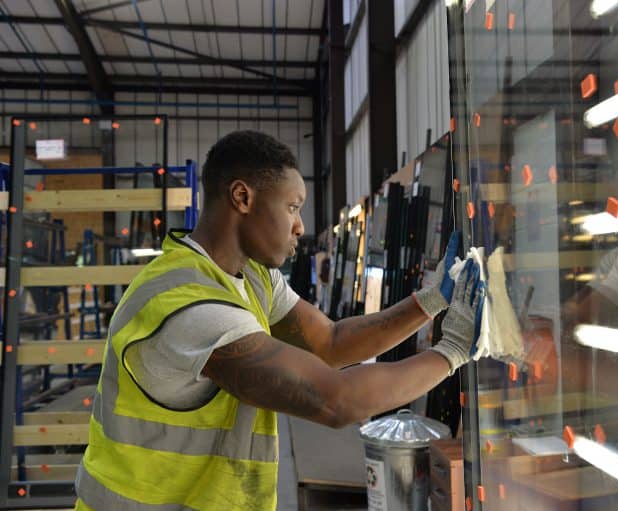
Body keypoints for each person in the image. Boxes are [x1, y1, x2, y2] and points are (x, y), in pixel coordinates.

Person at [74, 130, 484, 511]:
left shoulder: (251, 277)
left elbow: (331, 343)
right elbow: (335, 400)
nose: (300, 226)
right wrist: (451, 351)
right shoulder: (186, 305)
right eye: (291, 207)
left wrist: (430, 301)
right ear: (242, 197)